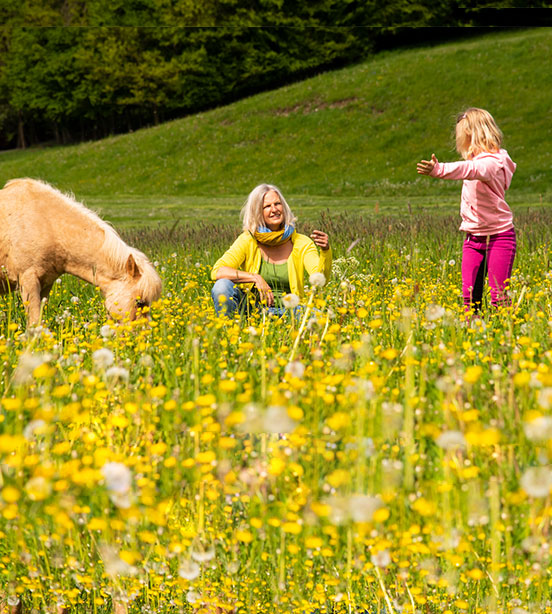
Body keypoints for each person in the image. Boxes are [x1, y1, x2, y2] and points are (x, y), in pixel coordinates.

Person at [417, 107, 517, 312]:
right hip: (473, 239)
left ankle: (506, 339)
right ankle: (473, 337)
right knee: (470, 300)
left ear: (473, 133)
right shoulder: (479, 161)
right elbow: (470, 167)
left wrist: (439, 169)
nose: (459, 139)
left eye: (461, 134)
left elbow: (471, 170)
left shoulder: (492, 163)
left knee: (499, 299)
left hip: (499, 238)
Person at [211, 183, 332, 317]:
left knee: (318, 317)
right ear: (257, 212)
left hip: (290, 311)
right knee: (221, 286)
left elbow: (321, 280)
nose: (274, 209)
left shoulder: (301, 242)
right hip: (253, 310)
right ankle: (230, 332)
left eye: (277, 204)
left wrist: (325, 252)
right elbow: (218, 271)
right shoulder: (248, 240)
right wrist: (254, 278)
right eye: (267, 206)